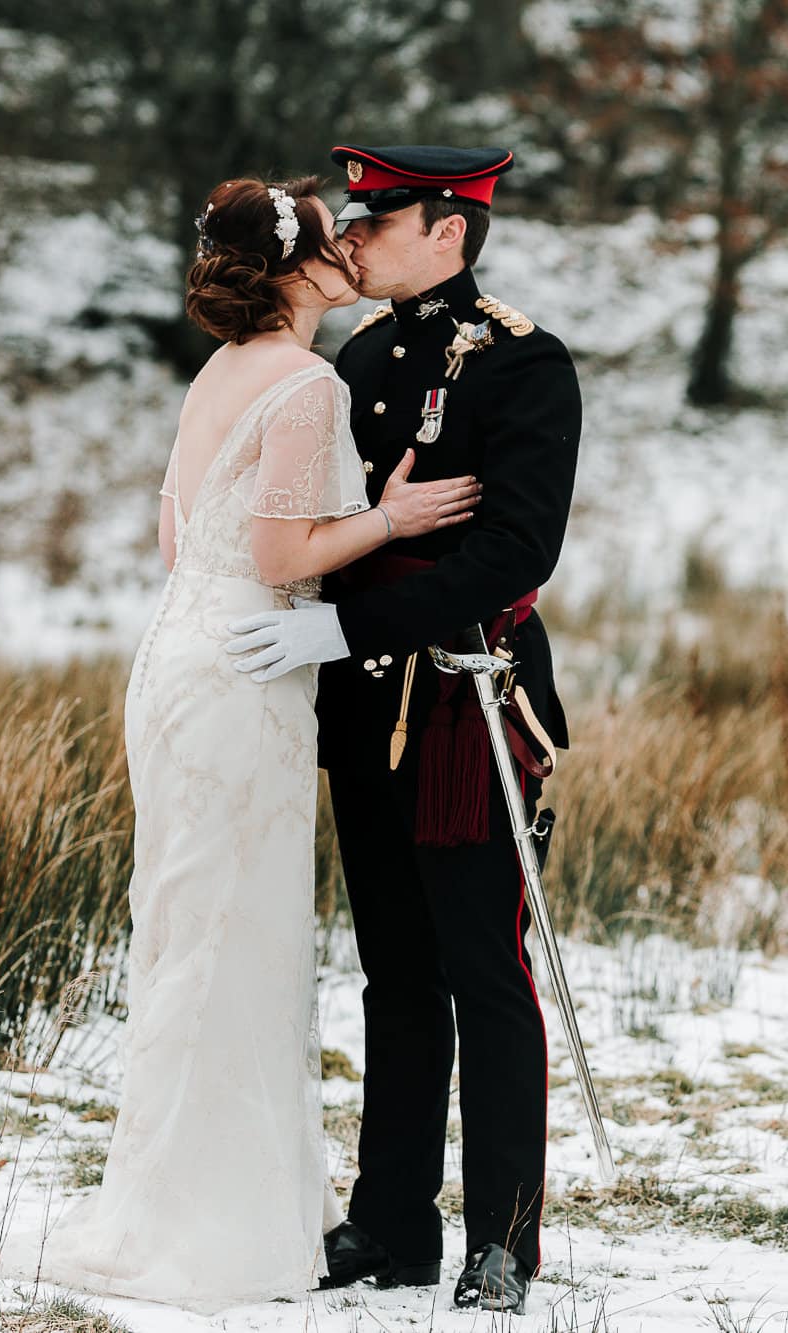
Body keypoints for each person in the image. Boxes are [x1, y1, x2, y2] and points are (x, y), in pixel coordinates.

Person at [0, 175, 480, 1314]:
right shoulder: (305, 382)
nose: (352, 244)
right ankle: (205, 1220)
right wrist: (394, 519)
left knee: (187, 923)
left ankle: (195, 1191)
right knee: (232, 932)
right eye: (333, 234)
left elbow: (181, 535)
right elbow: (276, 558)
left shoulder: (218, 372)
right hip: (246, 670)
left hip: (178, 659)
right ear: (300, 267)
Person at [223, 144, 582, 1315]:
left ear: (449, 231)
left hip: (465, 694)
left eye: (378, 221)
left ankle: (503, 1242)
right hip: (366, 701)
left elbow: (514, 549)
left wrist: (347, 626)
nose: (355, 240)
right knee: (392, 972)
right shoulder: (363, 353)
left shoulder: (525, 365)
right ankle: (390, 1222)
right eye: (356, 220)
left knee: (485, 968)